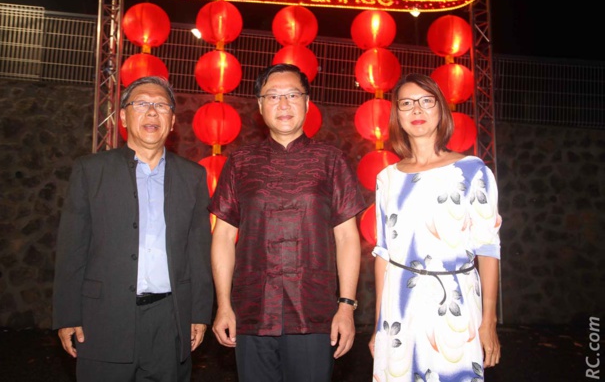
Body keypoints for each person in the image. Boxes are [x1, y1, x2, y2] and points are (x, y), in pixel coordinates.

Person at [208, 63, 367, 382]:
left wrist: (346, 306)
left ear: (308, 104)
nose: (283, 104)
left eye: (293, 95)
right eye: (273, 96)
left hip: (314, 312)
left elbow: (347, 239)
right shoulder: (240, 163)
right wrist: (224, 305)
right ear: (259, 106)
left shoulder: (331, 160)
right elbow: (223, 237)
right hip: (252, 312)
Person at [52, 76, 213, 382]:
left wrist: (199, 313)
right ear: (124, 116)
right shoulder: (91, 170)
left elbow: (198, 249)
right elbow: (72, 247)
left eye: (161, 105)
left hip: (169, 319)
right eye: (141, 104)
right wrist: (67, 315)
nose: (152, 112)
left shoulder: (192, 176)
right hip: (104, 318)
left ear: (173, 120)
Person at [369, 73, 501, 381]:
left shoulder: (471, 171)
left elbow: (488, 247)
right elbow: (383, 253)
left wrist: (488, 321)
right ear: (397, 115)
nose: (417, 110)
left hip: (453, 304)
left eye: (426, 102)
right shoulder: (387, 178)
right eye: (406, 103)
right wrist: (379, 324)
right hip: (399, 308)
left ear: (440, 110)